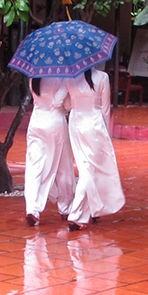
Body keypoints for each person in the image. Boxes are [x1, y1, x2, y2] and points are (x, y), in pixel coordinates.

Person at [63, 68, 125, 231]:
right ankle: (76, 215)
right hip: (94, 124)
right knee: (90, 169)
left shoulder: (70, 77)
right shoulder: (102, 77)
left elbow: (67, 105)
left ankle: (88, 209)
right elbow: (105, 109)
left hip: (76, 123)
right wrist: (106, 135)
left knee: (85, 167)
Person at [23, 77, 75, 226]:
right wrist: (67, 88)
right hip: (55, 123)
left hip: (36, 122)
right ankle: (66, 208)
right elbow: (65, 105)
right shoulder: (62, 77)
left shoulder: (34, 76)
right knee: (63, 166)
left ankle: (32, 209)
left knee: (33, 167)